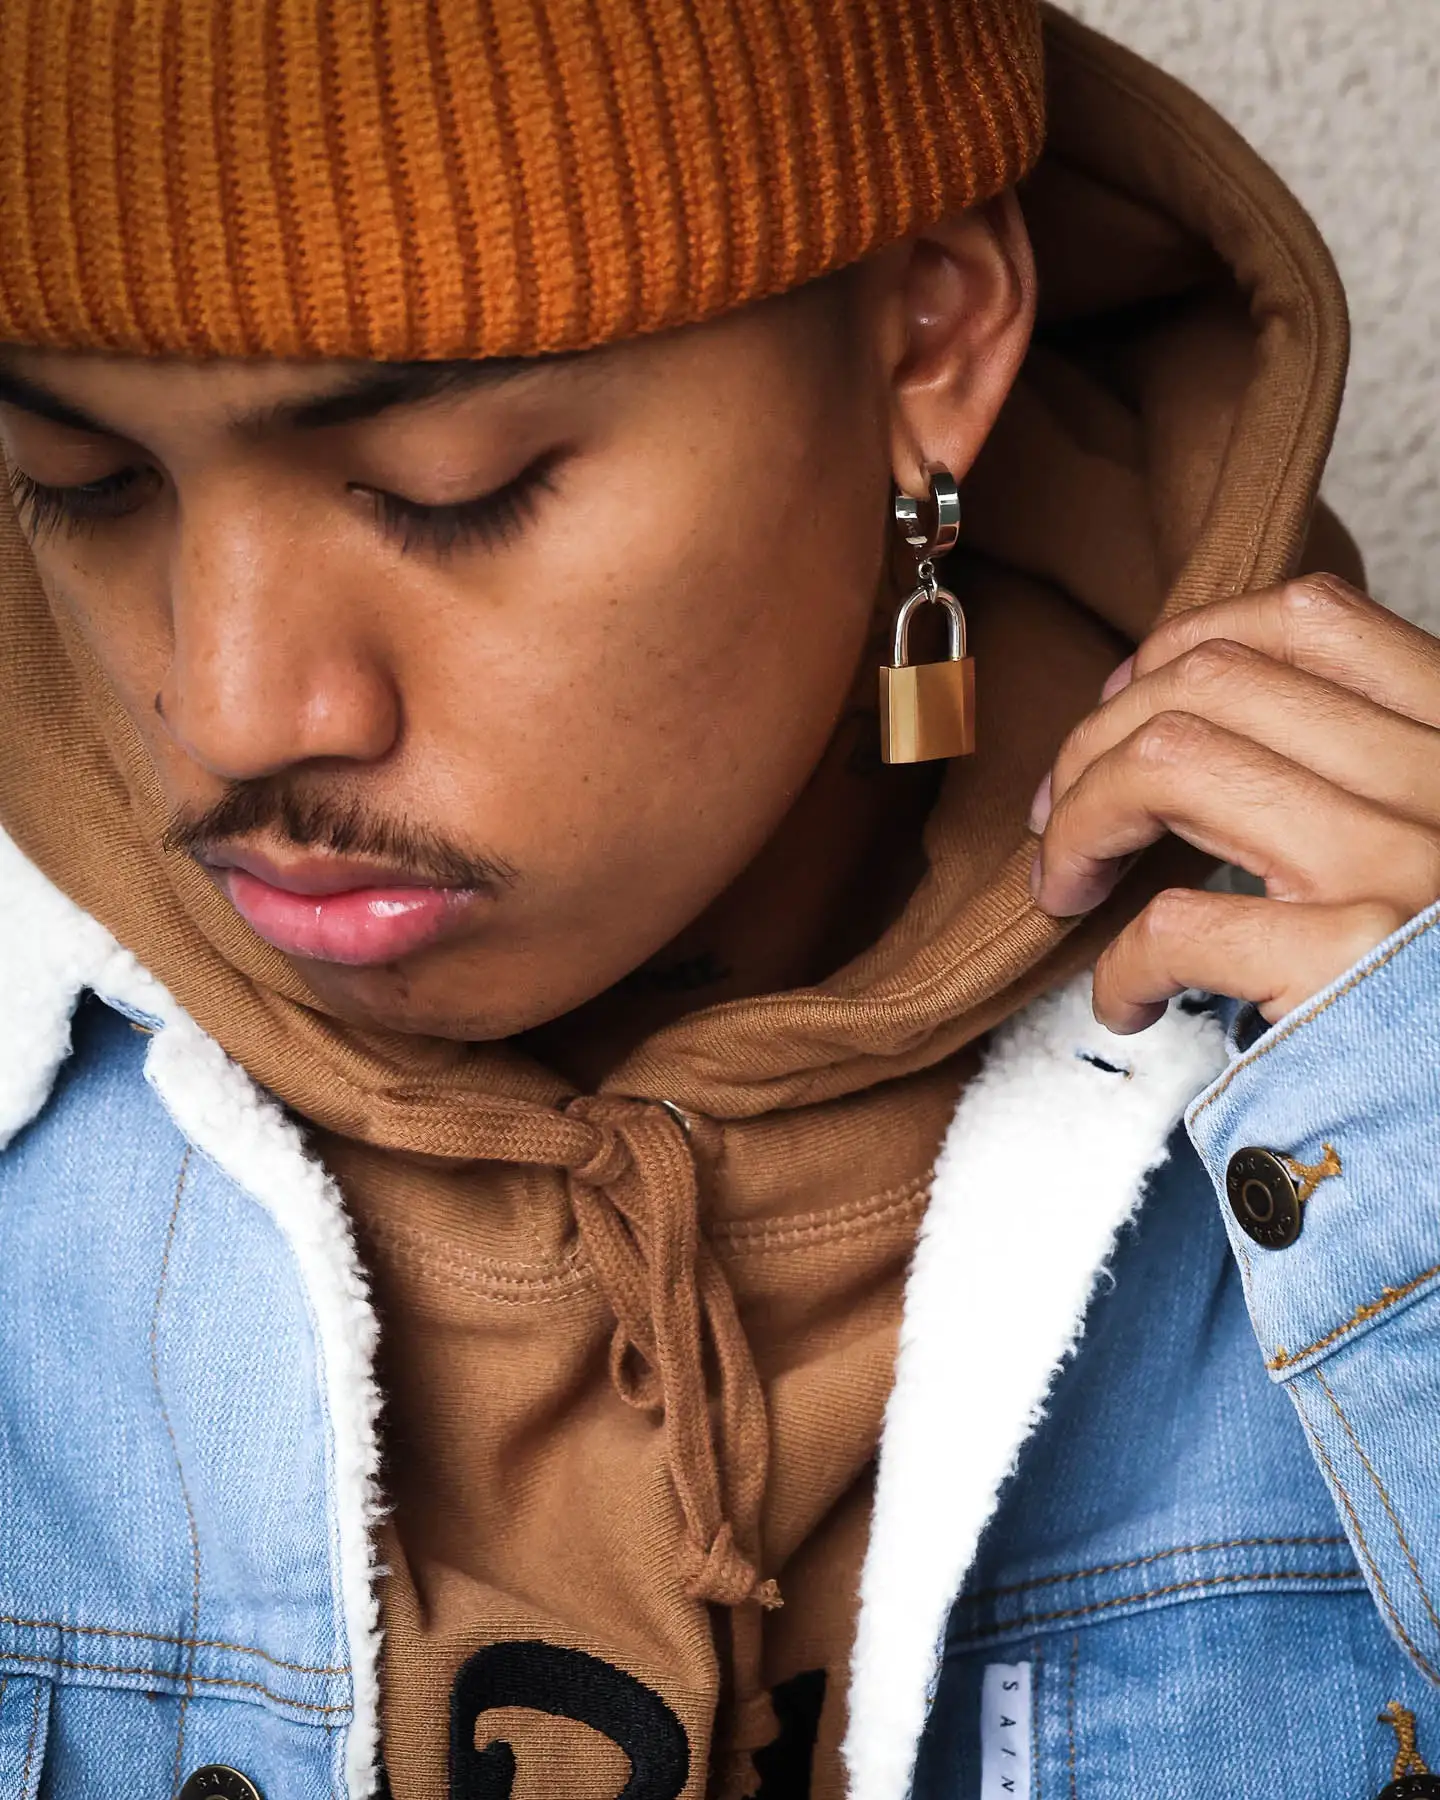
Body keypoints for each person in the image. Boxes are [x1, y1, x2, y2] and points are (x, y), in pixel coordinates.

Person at [1, 2, 1438, 1797]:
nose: (225, 710)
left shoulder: (1383, 1035)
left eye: (446, 494)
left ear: (928, 340)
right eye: (85, 484)